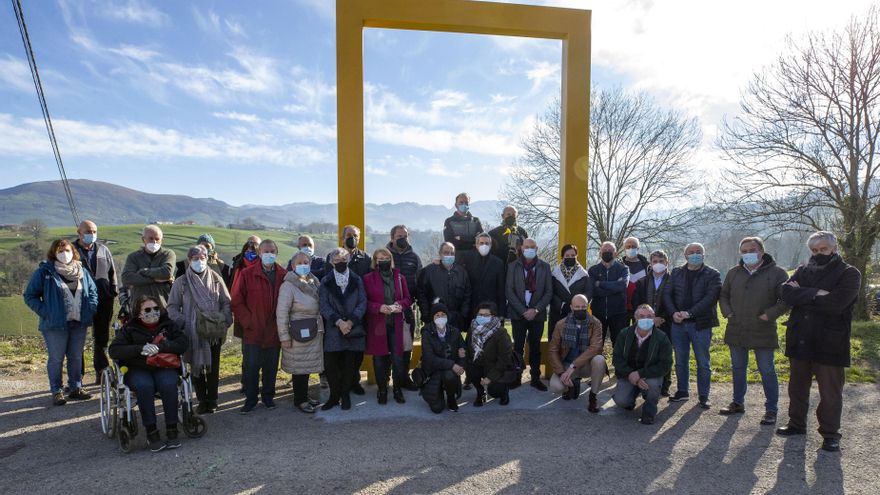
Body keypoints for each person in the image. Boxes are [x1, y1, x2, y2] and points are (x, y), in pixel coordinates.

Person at [777, 231, 860, 453]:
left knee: (830, 393)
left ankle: (831, 434)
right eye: (814, 250)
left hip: (830, 341)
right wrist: (817, 293)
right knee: (797, 388)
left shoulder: (849, 273)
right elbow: (785, 293)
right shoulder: (804, 269)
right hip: (800, 338)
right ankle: (796, 424)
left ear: (834, 248)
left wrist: (802, 295)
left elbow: (836, 304)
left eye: (823, 249)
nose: (818, 253)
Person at [718, 237, 789, 425]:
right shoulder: (734, 273)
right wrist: (727, 313)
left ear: (761, 251)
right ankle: (737, 403)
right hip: (736, 328)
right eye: (744, 250)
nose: (748, 253)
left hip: (763, 328)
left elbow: (786, 299)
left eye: (752, 249)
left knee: (767, 369)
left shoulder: (777, 273)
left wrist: (769, 315)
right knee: (738, 368)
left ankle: (771, 410)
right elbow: (723, 295)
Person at [109, 295, 188, 452]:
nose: (153, 312)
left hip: (163, 366)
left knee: (168, 384)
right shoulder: (129, 328)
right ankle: (152, 432)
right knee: (144, 386)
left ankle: (172, 429)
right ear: (139, 313)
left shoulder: (169, 325)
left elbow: (182, 343)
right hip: (138, 368)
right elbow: (114, 350)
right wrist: (140, 349)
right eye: (148, 309)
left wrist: (162, 347)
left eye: (156, 308)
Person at [24, 239, 99, 405]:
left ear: (73, 252)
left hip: (79, 322)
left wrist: (91, 308)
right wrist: (47, 312)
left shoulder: (82, 271)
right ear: (54, 253)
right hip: (55, 325)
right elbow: (30, 296)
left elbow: (93, 292)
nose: (64, 254)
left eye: (67, 250)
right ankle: (57, 390)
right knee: (56, 358)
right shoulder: (45, 272)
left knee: (76, 357)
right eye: (60, 251)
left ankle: (75, 387)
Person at [167, 246, 233, 414]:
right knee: (195, 365)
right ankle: (201, 399)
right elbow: (172, 307)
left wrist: (224, 318)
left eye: (202, 257)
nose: (199, 261)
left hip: (213, 330)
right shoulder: (181, 282)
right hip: (192, 332)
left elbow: (226, 301)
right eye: (195, 258)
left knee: (213, 365)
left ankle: (213, 399)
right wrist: (185, 322)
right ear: (189, 260)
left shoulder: (216, 278)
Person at [663, 242, 722, 409]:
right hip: (678, 324)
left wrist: (689, 313)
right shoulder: (676, 273)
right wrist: (673, 313)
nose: (695, 254)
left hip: (700, 324)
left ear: (704, 255)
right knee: (680, 360)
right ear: (685, 255)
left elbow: (711, 298)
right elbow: (667, 294)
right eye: (691, 252)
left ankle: (704, 395)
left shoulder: (712, 274)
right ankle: (682, 391)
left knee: (703, 361)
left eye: (698, 252)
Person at [230, 240, 285, 414]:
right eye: (265, 251)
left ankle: (268, 397)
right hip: (253, 330)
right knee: (251, 366)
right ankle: (251, 399)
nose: (269, 254)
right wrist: (248, 322)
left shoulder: (283, 274)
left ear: (276, 252)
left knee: (271, 366)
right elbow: (237, 301)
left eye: (272, 251)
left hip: (274, 329)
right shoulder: (247, 274)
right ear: (260, 253)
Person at [319, 247, 367, 411]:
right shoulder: (325, 281)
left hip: (353, 329)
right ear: (331, 262)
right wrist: (339, 322)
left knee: (349, 366)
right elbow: (323, 306)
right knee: (331, 365)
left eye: (343, 260)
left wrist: (351, 321)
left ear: (348, 261)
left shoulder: (357, 280)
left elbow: (362, 303)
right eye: (337, 260)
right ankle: (334, 396)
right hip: (334, 328)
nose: (340, 263)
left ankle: (345, 395)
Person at [276, 252, 324, 414]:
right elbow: (282, 312)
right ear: (293, 265)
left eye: (306, 262)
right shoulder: (288, 285)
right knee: (299, 368)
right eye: (300, 262)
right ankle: (300, 400)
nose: (303, 265)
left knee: (307, 367)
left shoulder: (313, 281)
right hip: (297, 333)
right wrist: (284, 337)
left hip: (313, 331)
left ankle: (305, 396)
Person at [363, 248, 413, 404]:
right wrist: (378, 307)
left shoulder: (400, 278)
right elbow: (364, 302)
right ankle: (382, 389)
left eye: (386, 257)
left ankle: (397, 389)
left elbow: (408, 299)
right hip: (378, 325)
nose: (383, 260)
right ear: (375, 261)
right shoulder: (368, 278)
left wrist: (400, 305)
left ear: (391, 259)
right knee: (379, 360)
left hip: (396, 324)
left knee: (398, 359)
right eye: (380, 258)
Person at [611, 304, 673, 425]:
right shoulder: (624, 334)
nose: (645, 319)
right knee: (622, 401)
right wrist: (630, 374)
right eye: (641, 316)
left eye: (649, 316)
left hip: (649, 375)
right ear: (635, 318)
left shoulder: (662, 338)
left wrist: (640, 374)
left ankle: (649, 412)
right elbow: (617, 359)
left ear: (654, 318)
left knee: (653, 384)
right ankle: (632, 395)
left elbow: (665, 365)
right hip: (628, 375)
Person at [73, 220, 117, 380]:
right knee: (78, 338)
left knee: (101, 337)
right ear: (79, 232)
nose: (92, 234)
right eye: (88, 231)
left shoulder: (103, 250)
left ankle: (101, 371)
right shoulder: (71, 250)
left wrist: (113, 290)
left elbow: (112, 272)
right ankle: (77, 375)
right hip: (79, 300)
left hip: (104, 299)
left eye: (94, 231)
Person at [506, 238, 553, 391]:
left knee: (535, 347)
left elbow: (548, 292)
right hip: (518, 314)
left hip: (537, 315)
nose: (530, 249)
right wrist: (523, 311)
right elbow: (509, 291)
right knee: (518, 347)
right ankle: (516, 377)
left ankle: (535, 378)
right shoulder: (513, 266)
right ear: (522, 248)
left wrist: (536, 310)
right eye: (527, 247)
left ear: (537, 248)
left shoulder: (545, 267)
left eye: (532, 247)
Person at [332, 225, 371, 395]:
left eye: (355, 235)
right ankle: (341, 384)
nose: (352, 238)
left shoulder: (366, 258)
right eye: (348, 235)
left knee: (356, 351)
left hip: (359, 312)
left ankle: (354, 381)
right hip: (338, 312)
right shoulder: (333, 256)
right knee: (340, 351)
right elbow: (328, 282)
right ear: (342, 238)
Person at [548, 294, 605, 412]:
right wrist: (561, 372)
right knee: (556, 386)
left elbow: (595, 347)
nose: (580, 309)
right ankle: (571, 385)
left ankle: (593, 397)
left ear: (588, 306)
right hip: (566, 365)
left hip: (586, 366)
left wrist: (573, 366)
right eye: (577, 307)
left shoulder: (596, 323)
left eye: (583, 307)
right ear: (571, 307)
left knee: (599, 360)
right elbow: (553, 350)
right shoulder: (561, 324)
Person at [632, 250, 673, 396]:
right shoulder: (642, 282)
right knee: (643, 351)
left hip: (666, 324)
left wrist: (662, 318)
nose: (658, 264)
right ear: (650, 263)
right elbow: (636, 303)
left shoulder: (673, 280)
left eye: (661, 262)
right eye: (655, 262)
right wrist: (648, 319)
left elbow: (676, 302)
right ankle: (641, 382)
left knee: (665, 354)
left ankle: (665, 385)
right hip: (644, 324)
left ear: (666, 263)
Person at [387, 224, 422, 390]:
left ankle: (403, 378)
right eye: (399, 236)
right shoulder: (385, 256)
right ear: (392, 238)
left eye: (405, 236)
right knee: (387, 345)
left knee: (407, 345)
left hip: (408, 307)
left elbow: (420, 282)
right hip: (387, 309)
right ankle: (386, 378)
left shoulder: (414, 257)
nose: (403, 239)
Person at [420, 302, 466, 413]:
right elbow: (429, 358)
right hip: (433, 371)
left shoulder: (454, 331)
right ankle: (438, 392)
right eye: (437, 315)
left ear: (447, 316)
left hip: (450, 372)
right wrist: (452, 365)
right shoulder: (426, 333)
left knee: (449, 375)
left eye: (443, 315)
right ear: (433, 317)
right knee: (437, 409)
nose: (440, 317)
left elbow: (463, 350)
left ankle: (451, 397)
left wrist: (460, 365)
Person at [466, 302, 513, 407]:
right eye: (480, 315)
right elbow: (468, 350)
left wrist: (490, 377)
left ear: (493, 316)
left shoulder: (501, 332)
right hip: (478, 364)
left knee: (494, 390)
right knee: (470, 369)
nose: (482, 317)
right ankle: (480, 393)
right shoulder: (472, 330)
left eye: (486, 315)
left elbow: (505, 359)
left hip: (495, 367)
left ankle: (504, 392)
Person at [230, 236, 261, 393]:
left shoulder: (264, 266)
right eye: (248, 251)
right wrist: (245, 318)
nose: (250, 254)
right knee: (247, 352)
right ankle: (246, 382)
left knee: (262, 352)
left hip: (262, 317)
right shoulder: (239, 267)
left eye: (253, 252)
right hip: (245, 318)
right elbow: (234, 293)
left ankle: (260, 382)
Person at [417, 242, 471, 331]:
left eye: (452, 253)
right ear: (440, 254)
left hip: (455, 320)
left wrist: (463, 315)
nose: (449, 255)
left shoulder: (462, 272)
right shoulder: (428, 271)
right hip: (434, 319)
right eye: (446, 253)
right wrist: (426, 315)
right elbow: (421, 294)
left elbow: (467, 295)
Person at [122, 225, 176, 307]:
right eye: (151, 238)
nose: (154, 242)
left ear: (161, 241)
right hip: (139, 307)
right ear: (143, 239)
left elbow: (167, 272)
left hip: (163, 305)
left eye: (157, 239)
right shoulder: (133, 257)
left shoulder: (168, 254)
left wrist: (143, 272)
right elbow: (127, 278)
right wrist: (155, 279)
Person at [588, 241, 629, 348]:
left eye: (610, 251)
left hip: (618, 313)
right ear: (600, 253)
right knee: (596, 345)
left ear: (615, 253)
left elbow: (622, 285)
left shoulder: (623, 269)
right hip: (598, 313)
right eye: (604, 250)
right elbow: (593, 290)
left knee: (619, 345)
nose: (607, 252)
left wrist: (600, 283)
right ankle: (597, 365)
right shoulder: (593, 270)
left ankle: (618, 365)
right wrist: (614, 287)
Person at [549, 244, 591, 340]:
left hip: (577, 313)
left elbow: (588, 292)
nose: (570, 258)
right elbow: (550, 291)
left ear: (576, 256)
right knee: (556, 341)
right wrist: (561, 304)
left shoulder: (584, 274)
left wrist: (577, 305)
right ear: (562, 257)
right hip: (557, 312)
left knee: (575, 343)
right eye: (567, 256)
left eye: (573, 256)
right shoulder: (554, 274)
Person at [462, 233, 506, 318]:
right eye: (481, 243)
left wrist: (502, 313)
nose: (484, 245)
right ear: (476, 245)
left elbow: (501, 290)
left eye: (487, 243)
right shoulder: (467, 260)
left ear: (491, 245)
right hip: (472, 309)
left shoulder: (498, 263)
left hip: (491, 309)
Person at [442, 192, 484, 260]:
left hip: (475, 259)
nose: (464, 204)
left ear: (469, 204)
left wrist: (461, 238)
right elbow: (450, 242)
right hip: (457, 260)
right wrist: (472, 242)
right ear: (456, 205)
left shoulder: (476, 221)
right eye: (461, 202)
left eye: (466, 202)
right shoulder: (449, 221)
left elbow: (481, 240)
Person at [621, 237, 650, 325]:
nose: (631, 248)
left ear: (638, 248)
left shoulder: (647, 266)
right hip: (622, 307)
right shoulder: (618, 265)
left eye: (633, 246)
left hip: (641, 308)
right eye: (628, 246)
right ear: (624, 249)